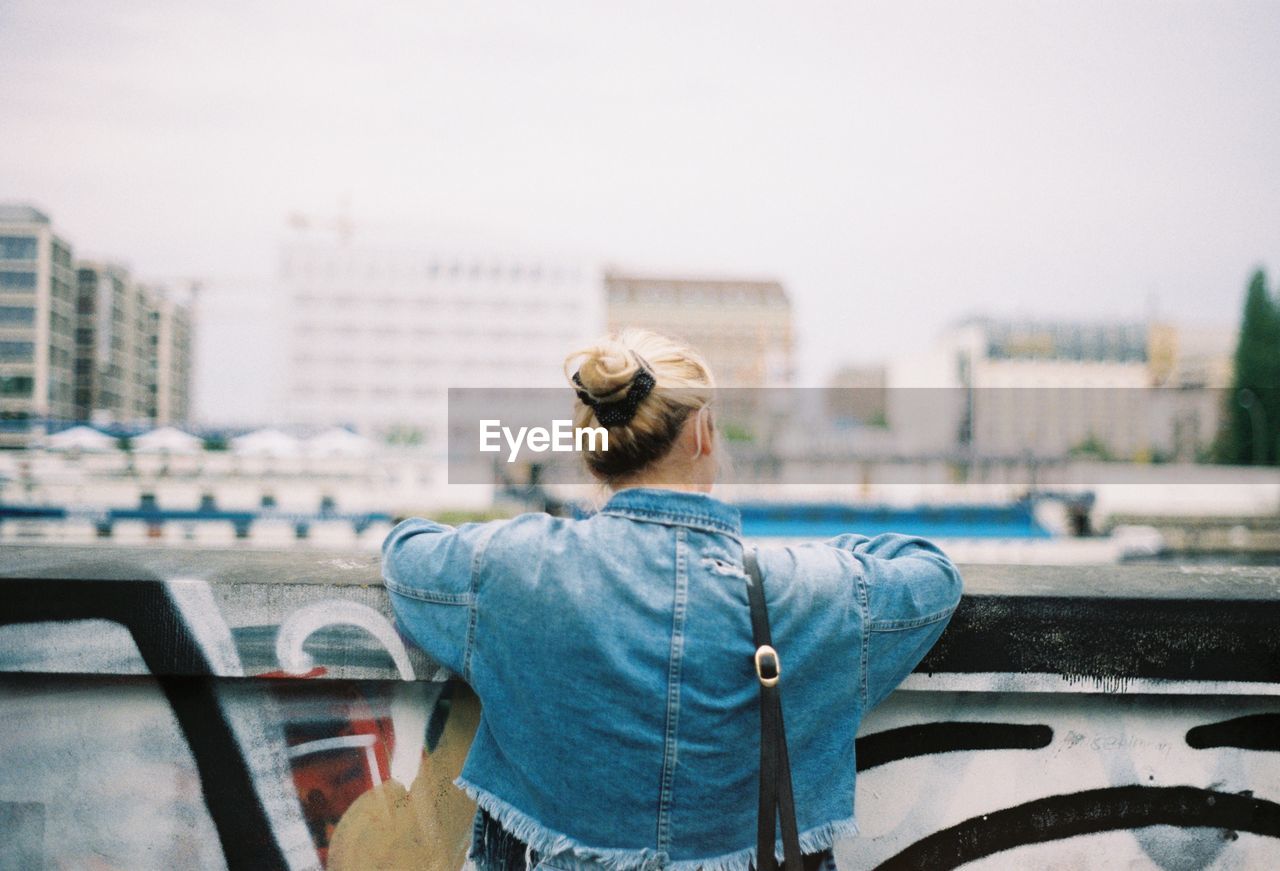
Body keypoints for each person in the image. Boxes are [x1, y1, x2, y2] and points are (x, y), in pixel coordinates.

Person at [383, 329, 963, 871]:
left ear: (592, 448)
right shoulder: (806, 585)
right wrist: (832, 550)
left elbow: (409, 553)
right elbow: (931, 575)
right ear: (703, 433)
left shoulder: (520, 562)